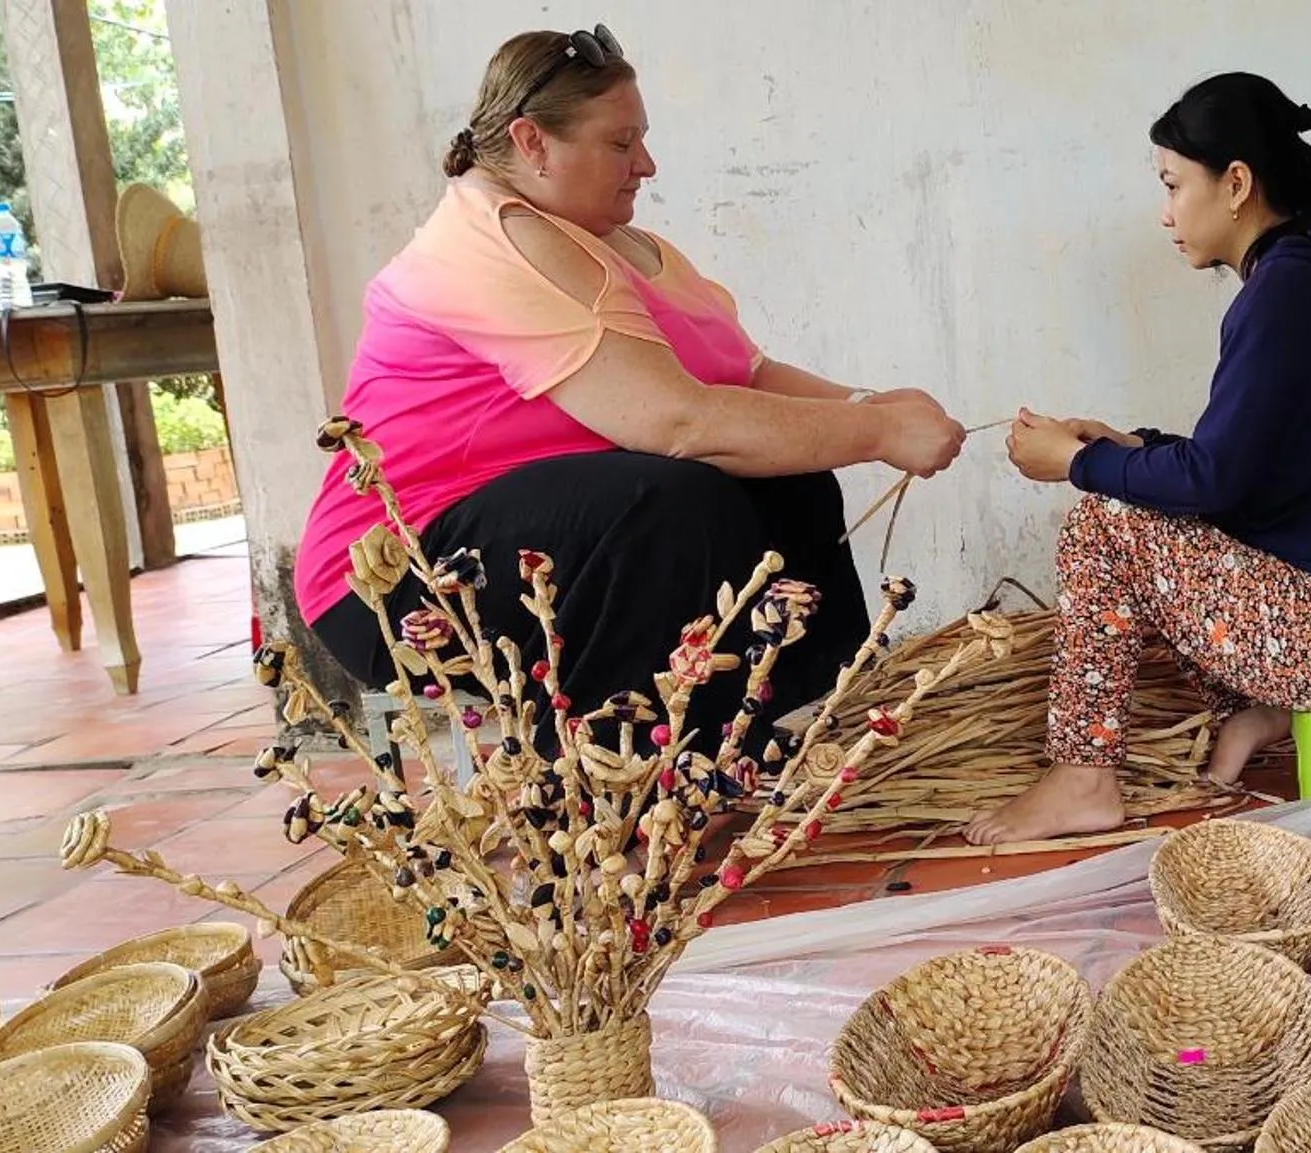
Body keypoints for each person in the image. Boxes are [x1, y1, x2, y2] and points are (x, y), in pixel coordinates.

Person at [296, 25, 966, 748]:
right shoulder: (493, 241)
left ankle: (777, 734)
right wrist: (882, 434)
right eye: (619, 144)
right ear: (532, 142)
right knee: (670, 500)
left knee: (789, 476)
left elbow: (747, 379)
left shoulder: (616, 242)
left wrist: (872, 407)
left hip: (524, 538)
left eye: (641, 139)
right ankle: (606, 788)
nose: (645, 164)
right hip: (392, 579)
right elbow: (679, 423)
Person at [967, 72, 1311, 845]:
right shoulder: (1309, 276)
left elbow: (1215, 480)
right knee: (1134, 495)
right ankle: (1258, 712)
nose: (1165, 213)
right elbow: (1241, 469)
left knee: (1103, 523)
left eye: (1172, 184)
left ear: (1235, 184)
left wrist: (1077, 465)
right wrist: (1129, 448)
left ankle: (1084, 777)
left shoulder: (1286, 294)